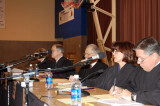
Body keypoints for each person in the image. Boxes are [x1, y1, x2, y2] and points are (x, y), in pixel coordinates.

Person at [109, 37, 160, 105]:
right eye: (137, 58)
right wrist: (121, 90)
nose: (138, 62)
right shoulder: (140, 70)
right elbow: (133, 86)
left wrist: (134, 96)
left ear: (154, 56)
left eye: (142, 58)